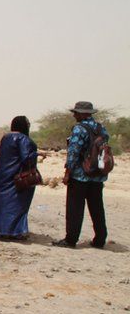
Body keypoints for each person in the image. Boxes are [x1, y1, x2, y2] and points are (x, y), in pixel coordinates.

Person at [53, 101, 109, 249]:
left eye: (76, 113)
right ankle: (100, 239)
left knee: (75, 208)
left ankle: (71, 239)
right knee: (97, 208)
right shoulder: (101, 128)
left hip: (80, 175)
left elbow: (73, 153)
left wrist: (67, 173)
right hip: (97, 175)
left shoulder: (79, 129)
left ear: (83, 114)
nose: (74, 115)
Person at [0, 116, 39, 241]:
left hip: (2, 177)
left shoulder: (5, 138)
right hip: (16, 178)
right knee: (18, 205)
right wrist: (37, 154)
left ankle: (2, 230)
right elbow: (26, 158)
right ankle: (16, 231)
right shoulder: (23, 139)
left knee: (2, 205)